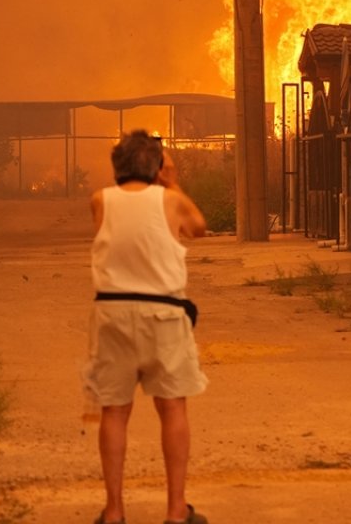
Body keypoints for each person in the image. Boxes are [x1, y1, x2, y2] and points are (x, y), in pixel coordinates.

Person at [83, 130, 210, 524]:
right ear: (157, 166)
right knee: (171, 408)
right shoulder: (170, 199)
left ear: (116, 166)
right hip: (163, 315)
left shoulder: (100, 200)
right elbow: (198, 227)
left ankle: (115, 511)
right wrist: (170, 180)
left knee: (114, 413)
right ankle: (175, 512)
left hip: (113, 315)